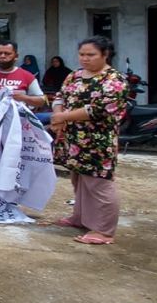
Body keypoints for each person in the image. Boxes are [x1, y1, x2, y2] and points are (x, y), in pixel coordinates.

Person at [49, 36, 129, 246]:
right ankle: (80, 217)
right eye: (82, 54)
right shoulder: (74, 76)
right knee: (79, 181)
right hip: (75, 140)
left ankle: (104, 230)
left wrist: (64, 117)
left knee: (99, 184)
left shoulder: (114, 80)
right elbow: (60, 96)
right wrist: (58, 115)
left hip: (98, 142)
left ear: (105, 54)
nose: (85, 59)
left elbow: (100, 110)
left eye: (91, 55)